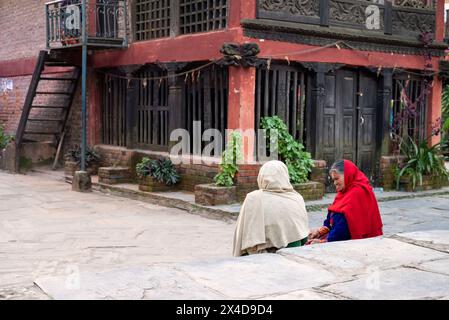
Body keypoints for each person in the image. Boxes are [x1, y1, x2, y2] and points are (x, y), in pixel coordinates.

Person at [233, 160, 309, 257]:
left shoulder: (254, 198)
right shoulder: (297, 198)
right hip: (294, 256)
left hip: (261, 259)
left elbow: (244, 238)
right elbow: (303, 237)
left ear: (261, 177)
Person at [307, 160, 383, 244]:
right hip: (336, 237)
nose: (335, 183)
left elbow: (344, 226)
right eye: (333, 180)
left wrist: (324, 241)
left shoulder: (358, 192)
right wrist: (319, 232)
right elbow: (333, 215)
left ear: (347, 175)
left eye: (337, 179)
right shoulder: (344, 191)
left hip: (350, 242)